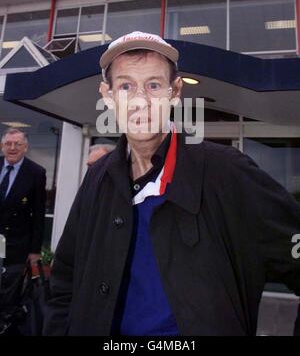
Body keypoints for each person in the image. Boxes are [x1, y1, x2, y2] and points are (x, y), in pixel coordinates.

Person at [44, 31, 300, 336]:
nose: (141, 100)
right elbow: (64, 281)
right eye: (126, 86)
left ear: (175, 91)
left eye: (153, 85)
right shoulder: (97, 179)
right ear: (108, 96)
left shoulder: (227, 172)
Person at [0, 128, 46, 268]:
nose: (12, 148)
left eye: (17, 144)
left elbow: (39, 214)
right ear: (2, 147)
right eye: (8, 143)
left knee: (8, 287)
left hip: (15, 245)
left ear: (25, 148)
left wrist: (35, 250)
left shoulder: (36, 173)